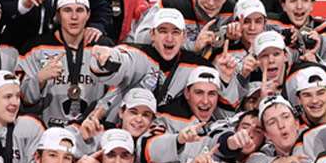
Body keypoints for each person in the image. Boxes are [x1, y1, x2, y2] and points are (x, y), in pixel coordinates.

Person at [91, 8, 241, 113]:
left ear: (184, 36)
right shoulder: (139, 55)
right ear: (152, 34)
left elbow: (224, 113)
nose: (169, 38)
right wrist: (107, 58)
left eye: (175, 32)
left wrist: (225, 80)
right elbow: (123, 61)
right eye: (163, 31)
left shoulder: (196, 65)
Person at [17, 0, 109, 128]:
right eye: (67, 10)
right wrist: (39, 79)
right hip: (48, 131)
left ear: (88, 15)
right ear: (58, 15)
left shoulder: (103, 47)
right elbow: (23, 99)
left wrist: (98, 114)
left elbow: (116, 93)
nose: (74, 16)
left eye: (80, 10)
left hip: (91, 130)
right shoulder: (36, 48)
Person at [131, 0, 236, 54]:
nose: (211, 2)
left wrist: (234, 38)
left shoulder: (231, 9)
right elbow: (140, 38)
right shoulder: (172, 4)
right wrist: (192, 45)